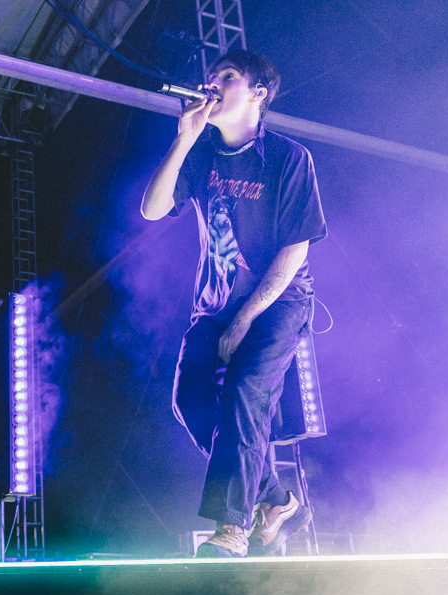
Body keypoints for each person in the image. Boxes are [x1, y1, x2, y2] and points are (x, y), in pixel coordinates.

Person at [141, 49, 326, 558]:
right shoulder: (199, 154)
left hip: (278, 299)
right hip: (215, 303)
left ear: (258, 92)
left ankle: (233, 527)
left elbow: (295, 250)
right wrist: (184, 140)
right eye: (210, 77)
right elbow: (154, 209)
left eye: (226, 76)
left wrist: (248, 317)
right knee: (189, 401)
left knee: (247, 395)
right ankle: (278, 500)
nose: (212, 84)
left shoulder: (288, 159)